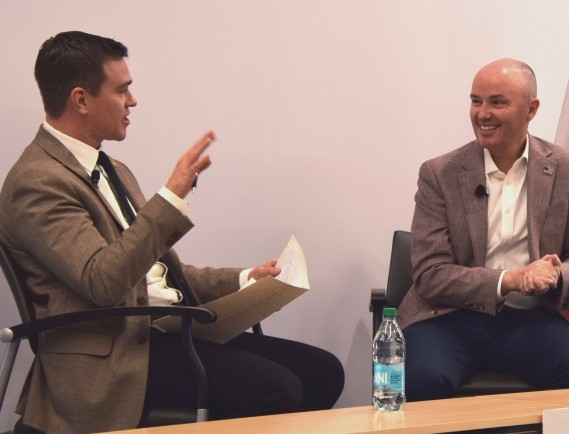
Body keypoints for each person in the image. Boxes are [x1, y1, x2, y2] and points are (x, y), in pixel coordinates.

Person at [0, 31, 344, 434]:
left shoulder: (111, 169)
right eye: (122, 90)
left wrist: (244, 279)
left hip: (161, 333)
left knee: (323, 372)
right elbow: (103, 282)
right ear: (81, 100)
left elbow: (154, 273)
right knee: (275, 390)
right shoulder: (37, 181)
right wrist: (169, 199)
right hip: (114, 359)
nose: (132, 101)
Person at [399, 58, 569, 401]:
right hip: (446, 317)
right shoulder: (440, 173)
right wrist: (511, 279)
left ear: (531, 109)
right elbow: (430, 275)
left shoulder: (567, 168)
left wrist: (556, 274)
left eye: (497, 102)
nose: (482, 114)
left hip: (528, 319)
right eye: (476, 101)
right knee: (422, 376)